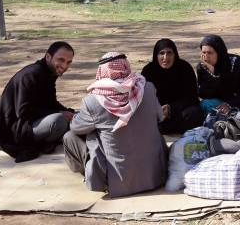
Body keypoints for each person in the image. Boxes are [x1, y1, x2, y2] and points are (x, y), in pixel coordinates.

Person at [63, 52, 168, 197]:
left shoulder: (94, 100)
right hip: (156, 177)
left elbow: (76, 128)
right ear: (126, 66)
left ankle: (93, 177)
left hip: (118, 183)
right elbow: (160, 116)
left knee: (71, 136)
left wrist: (80, 118)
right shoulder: (147, 88)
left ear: (102, 71)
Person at [0, 42, 76, 163]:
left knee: (75, 117)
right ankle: (44, 142)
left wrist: (71, 112)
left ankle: (48, 140)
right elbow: (23, 111)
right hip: (16, 129)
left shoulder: (48, 73)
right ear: (48, 57)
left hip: (33, 122)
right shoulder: (30, 74)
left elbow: (51, 103)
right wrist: (60, 113)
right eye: (61, 60)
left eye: (68, 62)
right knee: (59, 120)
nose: (64, 65)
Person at [141, 39, 204, 134]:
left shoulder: (184, 68)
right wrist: (158, 110)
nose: (165, 57)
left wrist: (171, 108)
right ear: (156, 55)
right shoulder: (148, 71)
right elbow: (143, 98)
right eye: (161, 53)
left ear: (175, 54)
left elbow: (192, 97)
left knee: (194, 113)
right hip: (157, 113)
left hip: (180, 111)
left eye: (169, 53)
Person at [196, 35, 240, 119]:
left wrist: (230, 105)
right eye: (203, 53)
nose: (206, 57)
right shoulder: (202, 67)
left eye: (210, 53)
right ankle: (232, 120)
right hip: (219, 104)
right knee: (203, 105)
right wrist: (212, 74)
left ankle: (232, 118)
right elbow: (204, 94)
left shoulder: (236, 61)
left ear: (219, 52)